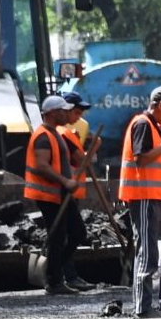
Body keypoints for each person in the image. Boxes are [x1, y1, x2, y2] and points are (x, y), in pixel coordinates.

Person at [120, 86, 161, 317]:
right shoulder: (143, 124)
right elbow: (141, 159)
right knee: (147, 252)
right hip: (143, 195)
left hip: (151, 197)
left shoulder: (153, 127)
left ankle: (144, 306)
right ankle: (142, 308)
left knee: (147, 251)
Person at [25, 95, 84, 296]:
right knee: (58, 237)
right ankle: (54, 279)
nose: (67, 113)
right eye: (63, 110)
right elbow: (41, 166)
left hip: (60, 195)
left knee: (77, 233)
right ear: (52, 113)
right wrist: (65, 181)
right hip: (49, 195)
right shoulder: (42, 136)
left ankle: (55, 269)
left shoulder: (55, 134)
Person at [57, 91, 99, 291]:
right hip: (63, 190)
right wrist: (92, 150)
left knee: (69, 233)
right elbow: (80, 160)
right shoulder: (62, 133)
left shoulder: (72, 130)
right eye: (77, 111)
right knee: (74, 232)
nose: (79, 116)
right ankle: (63, 273)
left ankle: (65, 273)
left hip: (70, 190)